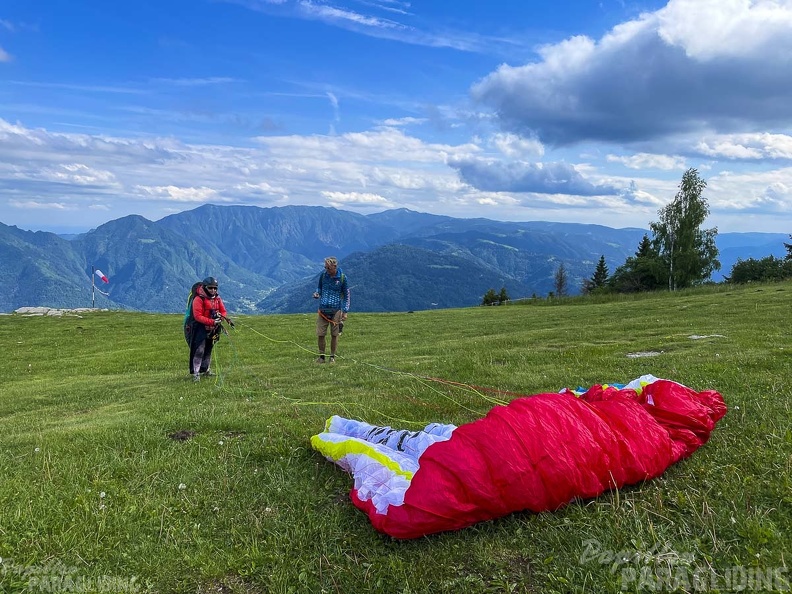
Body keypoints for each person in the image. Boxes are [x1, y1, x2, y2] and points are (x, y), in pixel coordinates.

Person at [188, 276, 231, 381]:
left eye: (215, 288)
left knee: (209, 349)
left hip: (213, 328)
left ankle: (206, 370)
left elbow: (223, 311)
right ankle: (196, 374)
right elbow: (198, 316)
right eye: (210, 288)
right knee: (199, 350)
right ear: (205, 287)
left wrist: (221, 317)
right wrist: (212, 321)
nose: (213, 290)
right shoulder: (198, 299)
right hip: (200, 328)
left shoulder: (217, 298)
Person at [312, 257, 350, 363]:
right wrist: (317, 293)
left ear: (335, 267)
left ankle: (332, 357)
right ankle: (322, 357)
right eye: (325, 267)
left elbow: (347, 295)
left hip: (336, 310)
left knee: (334, 335)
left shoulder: (342, 278)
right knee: (320, 334)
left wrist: (345, 311)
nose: (326, 270)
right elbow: (319, 287)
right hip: (323, 310)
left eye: (328, 268)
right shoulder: (323, 276)